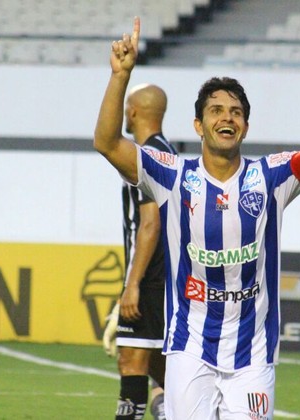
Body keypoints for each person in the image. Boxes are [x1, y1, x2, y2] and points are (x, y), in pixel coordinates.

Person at [94, 17, 300, 419]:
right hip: (189, 349)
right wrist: (119, 77)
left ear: (245, 126)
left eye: (235, 112)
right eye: (215, 110)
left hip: (252, 355)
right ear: (199, 125)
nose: (225, 118)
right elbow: (107, 142)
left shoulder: (271, 177)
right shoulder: (173, 175)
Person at [106, 83, 175, 420]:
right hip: (170, 278)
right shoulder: (168, 152)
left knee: (131, 362)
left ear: (132, 111)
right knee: (162, 370)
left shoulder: (145, 155)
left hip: (151, 278)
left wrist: (132, 284)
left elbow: (150, 224)